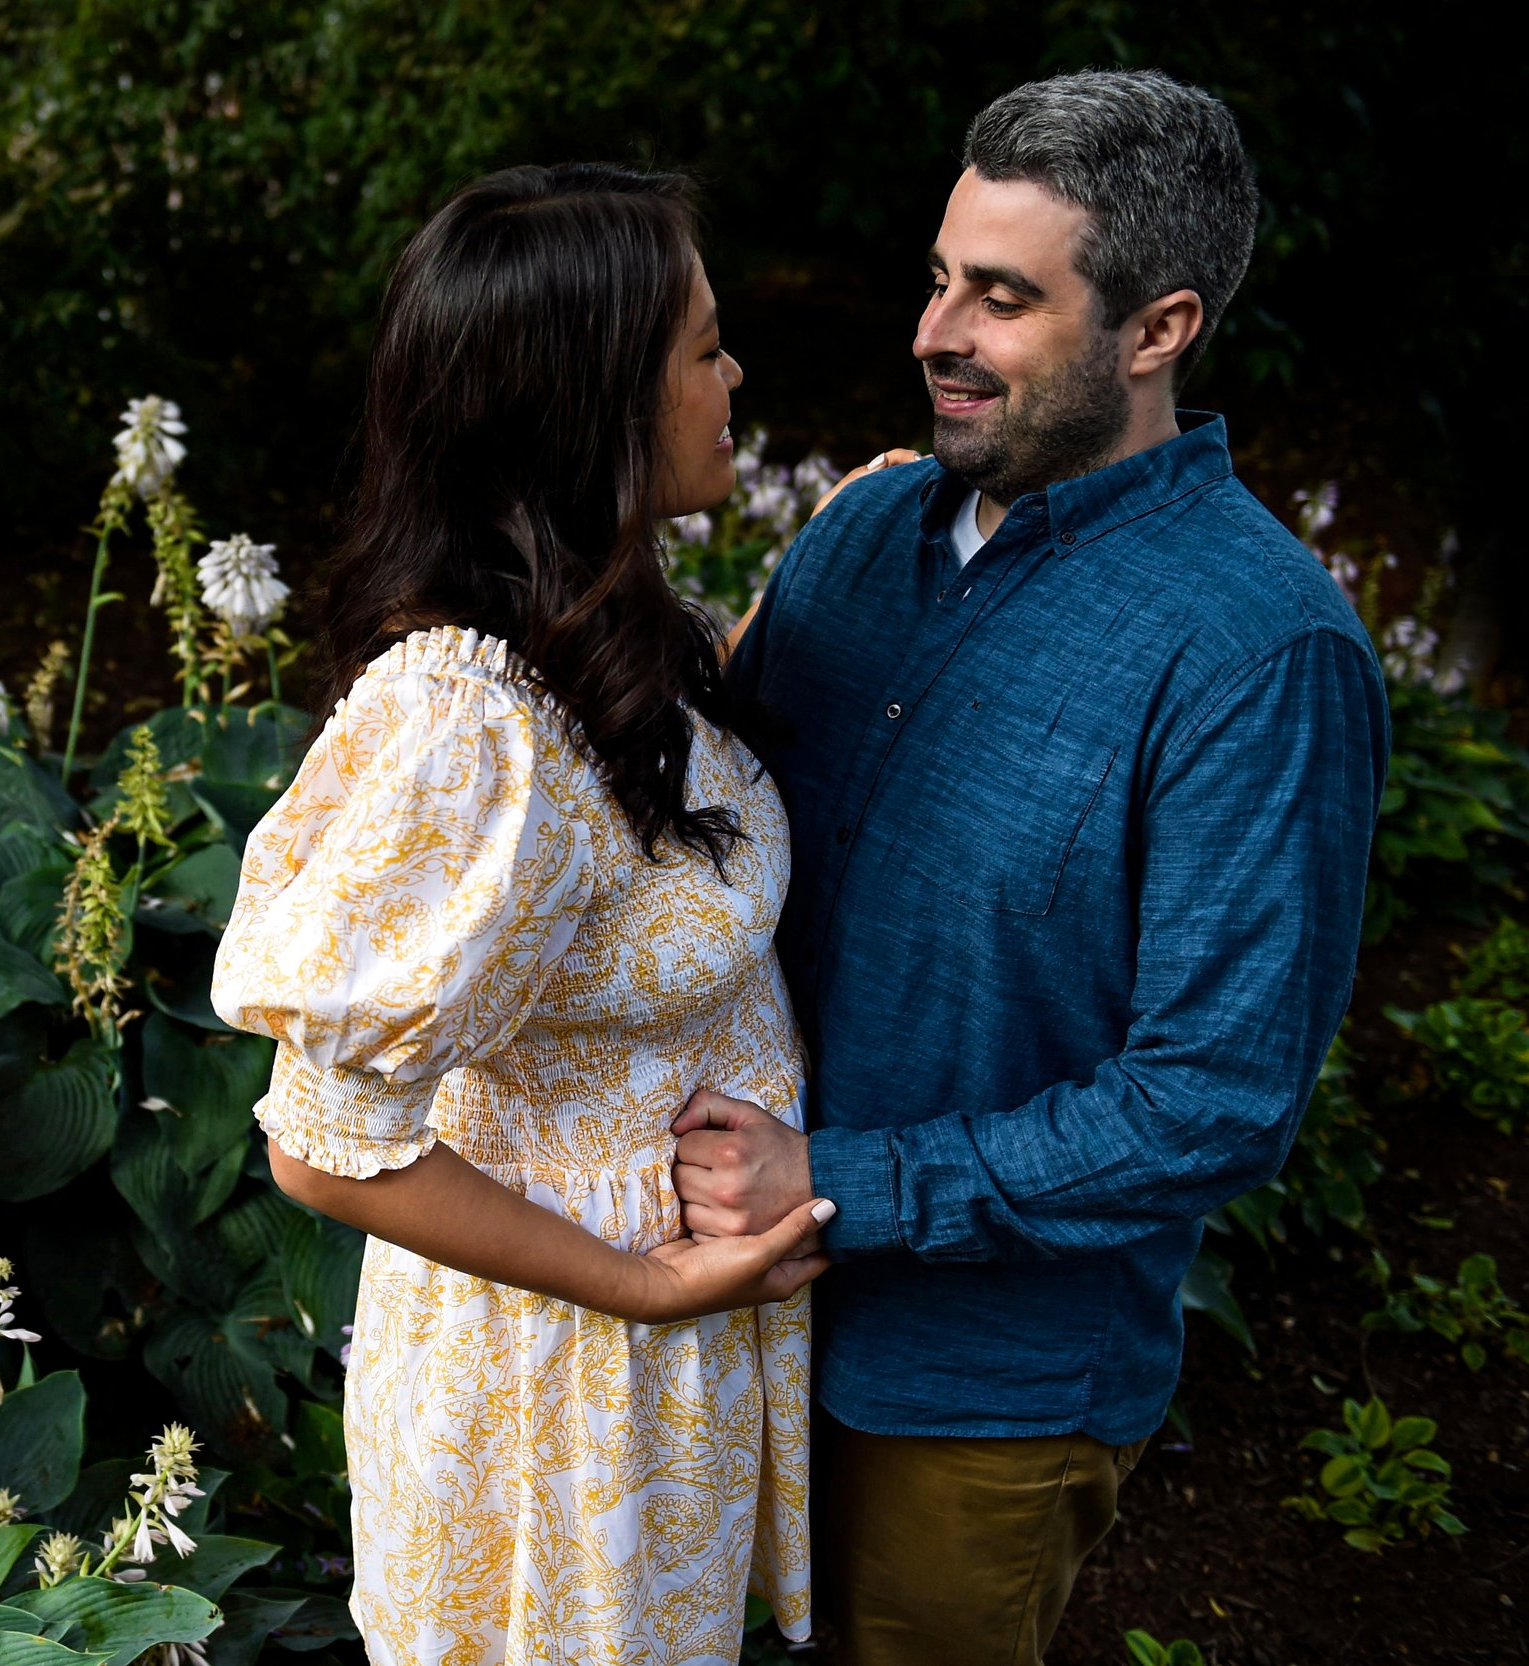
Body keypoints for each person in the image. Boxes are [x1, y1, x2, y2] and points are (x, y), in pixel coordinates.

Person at [672, 70, 1390, 1665]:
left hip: (970, 1397)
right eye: (941, 277)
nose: (936, 331)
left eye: (1002, 298)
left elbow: (1214, 1094)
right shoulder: (865, 535)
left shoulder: (1262, 653)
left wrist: (843, 1182)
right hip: (710, 1319)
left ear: (1158, 328)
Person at [210, 164, 835, 1665]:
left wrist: (836, 551)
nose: (735, 375)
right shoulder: (468, 728)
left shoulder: (594, 639)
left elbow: (617, 855)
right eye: (702, 348)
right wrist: (645, 1277)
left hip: (652, 1366)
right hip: (565, 1384)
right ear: (592, 408)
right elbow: (320, 1139)